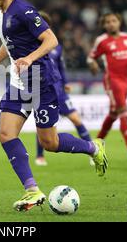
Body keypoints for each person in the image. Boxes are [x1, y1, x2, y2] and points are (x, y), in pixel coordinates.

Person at [0, 0, 108, 212]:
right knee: (6, 134)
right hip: (19, 83)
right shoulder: (1, 14)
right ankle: (32, 191)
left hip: (41, 82)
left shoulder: (24, 10)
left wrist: (29, 58)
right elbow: (8, 44)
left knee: (49, 142)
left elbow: (51, 40)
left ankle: (93, 147)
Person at [34, 11, 93, 167]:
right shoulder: (31, 45)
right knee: (43, 126)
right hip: (43, 91)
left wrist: (65, 82)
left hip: (59, 90)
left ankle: (92, 150)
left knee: (76, 119)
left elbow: (60, 67)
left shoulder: (55, 46)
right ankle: (40, 156)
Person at [87, 12, 127, 162]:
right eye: (108, 22)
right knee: (123, 112)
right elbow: (91, 57)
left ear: (119, 22)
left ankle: (93, 149)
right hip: (112, 81)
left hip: (125, 80)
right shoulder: (102, 40)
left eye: (114, 21)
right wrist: (92, 64)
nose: (111, 24)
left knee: (113, 114)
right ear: (104, 25)